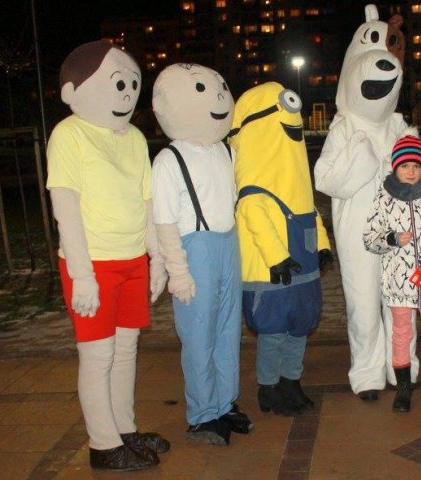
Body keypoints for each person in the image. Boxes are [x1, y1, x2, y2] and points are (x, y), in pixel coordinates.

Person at [46, 39, 169, 471]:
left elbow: (147, 201)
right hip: (92, 263)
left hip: (132, 259)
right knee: (98, 356)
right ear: (73, 91)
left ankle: (124, 430)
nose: (127, 93)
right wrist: (82, 275)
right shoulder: (69, 135)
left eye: (132, 84)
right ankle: (103, 443)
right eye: (117, 83)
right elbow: (66, 209)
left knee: (127, 350)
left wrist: (157, 259)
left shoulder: (134, 137)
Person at [314, 4, 416, 401]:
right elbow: (324, 179)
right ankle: (367, 372)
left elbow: (419, 175)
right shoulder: (343, 126)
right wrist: (360, 164)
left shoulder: (398, 125)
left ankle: (401, 365)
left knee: (400, 300)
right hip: (358, 229)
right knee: (363, 303)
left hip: (400, 228)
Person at [151, 63, 251, 445]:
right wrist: (178, 271)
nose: (220, 98)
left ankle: (224, 403)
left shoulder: (221, 151)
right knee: (198, 337)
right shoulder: (168, 160)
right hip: (196, 251)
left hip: (227, 245)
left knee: (228, 331)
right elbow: (164, 222)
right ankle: (201, 413)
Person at [229, 82, 333, 416]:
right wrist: (277, 258)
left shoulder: (295, 178)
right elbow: (253, 215)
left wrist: (323, 244)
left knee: (300, 328)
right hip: (269, 274)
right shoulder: (254, 182)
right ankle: (269, 387)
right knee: (273, 333)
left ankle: (292, 381)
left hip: (302, 273)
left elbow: (310, 210)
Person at [363, 133, 421, 414]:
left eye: (416, 166)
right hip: (398, 282)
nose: (411, 171)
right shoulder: (383, 200)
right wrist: (391, 239)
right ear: (395, 168)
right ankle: (403, 389)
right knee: (401, 333)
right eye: (405, 166)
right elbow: (369, 237)